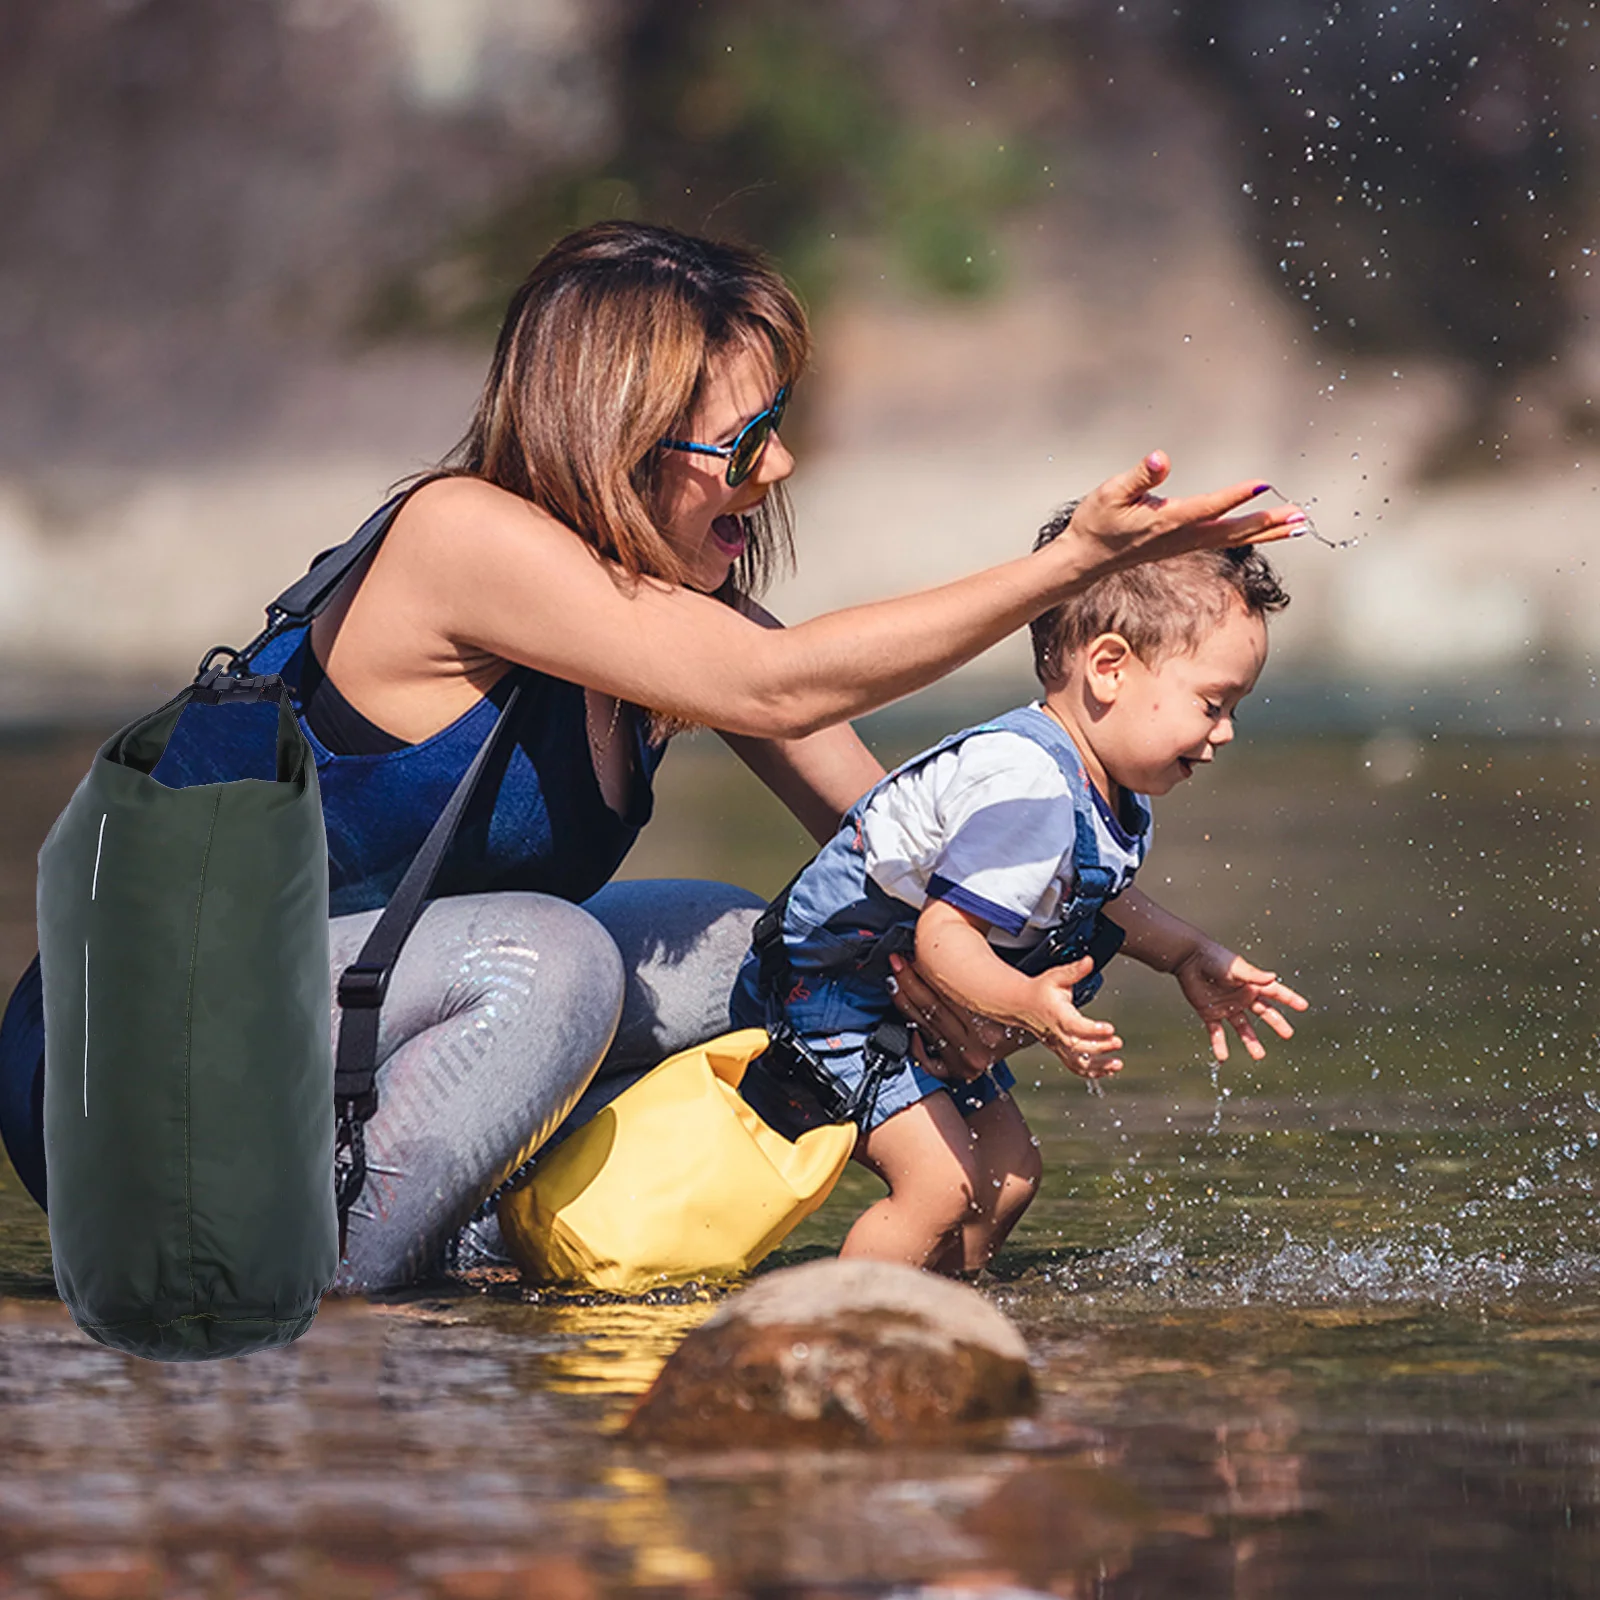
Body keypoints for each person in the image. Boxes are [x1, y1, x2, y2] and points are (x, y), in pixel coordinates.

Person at [0, 222, 1307, 1292]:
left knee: (784, 946)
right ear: (616, 438)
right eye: (744, 442)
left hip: (331, 1031)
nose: (780, 465)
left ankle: (508, 1254)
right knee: (548, 962)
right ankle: (323, 1292)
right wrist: (1066, 567)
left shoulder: (673, 623)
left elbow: (902, 837)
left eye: (780, 421)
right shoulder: (462, 537)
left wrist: (1120, 953)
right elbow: (774, 682)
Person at [731, 510, 1310, 1273]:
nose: (1226, 731)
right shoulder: (1029, 784)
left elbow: (1095, 896)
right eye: (1213, 703)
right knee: (938, 1185)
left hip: (893, 990)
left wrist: (1185, 955)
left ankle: (949, 1312)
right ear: (1109, 667)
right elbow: (944, 936)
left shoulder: (1100, 783)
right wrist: (1027, 1003)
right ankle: (845, 1332)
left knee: (1010, 1175)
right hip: (828, 995)